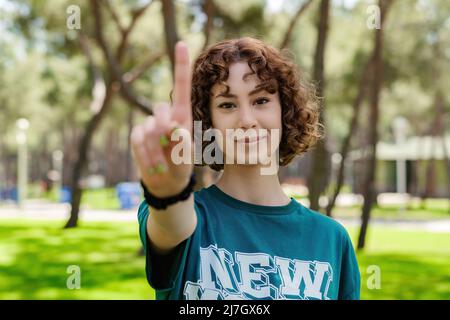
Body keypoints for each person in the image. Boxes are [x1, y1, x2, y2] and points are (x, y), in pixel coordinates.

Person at [131, 37, 361, 300]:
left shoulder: (331, 239)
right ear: (208, 121)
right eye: (227, 105)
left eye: (261, 100)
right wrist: (169, 193)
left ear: (284, 110)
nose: (247, 120)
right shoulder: (188, 216)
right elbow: (170, 224)